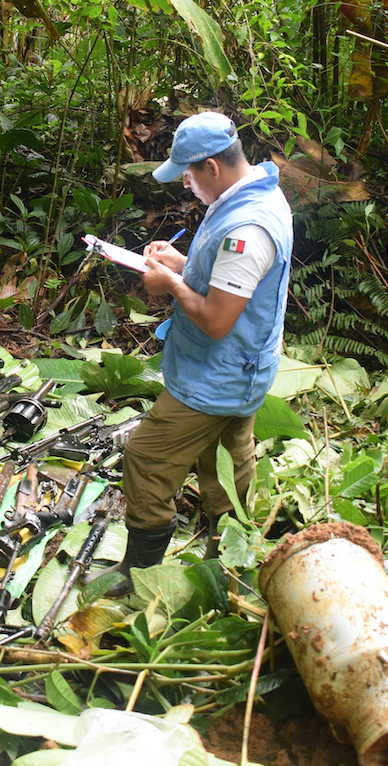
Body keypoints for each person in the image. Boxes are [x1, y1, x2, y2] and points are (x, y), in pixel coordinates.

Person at [108, 112, 294, 597]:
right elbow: (235, 286)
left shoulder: (248, 227)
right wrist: (185, 267)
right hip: (244, 366)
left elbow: (216, 318)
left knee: (147, 457)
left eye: (189, 175)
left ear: (212, 166)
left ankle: (138, 573)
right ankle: (230, 563)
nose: (186, 185)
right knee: (226, 462)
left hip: (219, 373)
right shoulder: (252, 193)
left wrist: (169, 284)